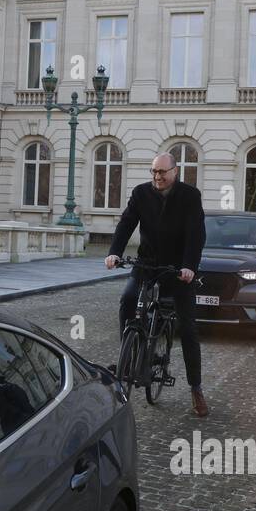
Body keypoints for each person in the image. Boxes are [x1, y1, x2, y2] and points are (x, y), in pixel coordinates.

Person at [105, 152, 209, 417]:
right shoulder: (141, 193)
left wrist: (189, 266)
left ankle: (196, 388)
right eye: (153, 172)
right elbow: (127, 222)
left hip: (177, 270)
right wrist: (114, 252)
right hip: (147, 264)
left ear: (175, 172)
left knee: (187, 327)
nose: (157, 177)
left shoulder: (189, 196)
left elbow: (196, 234)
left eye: (162, 172)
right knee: (128, 300)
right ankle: (126, 360)